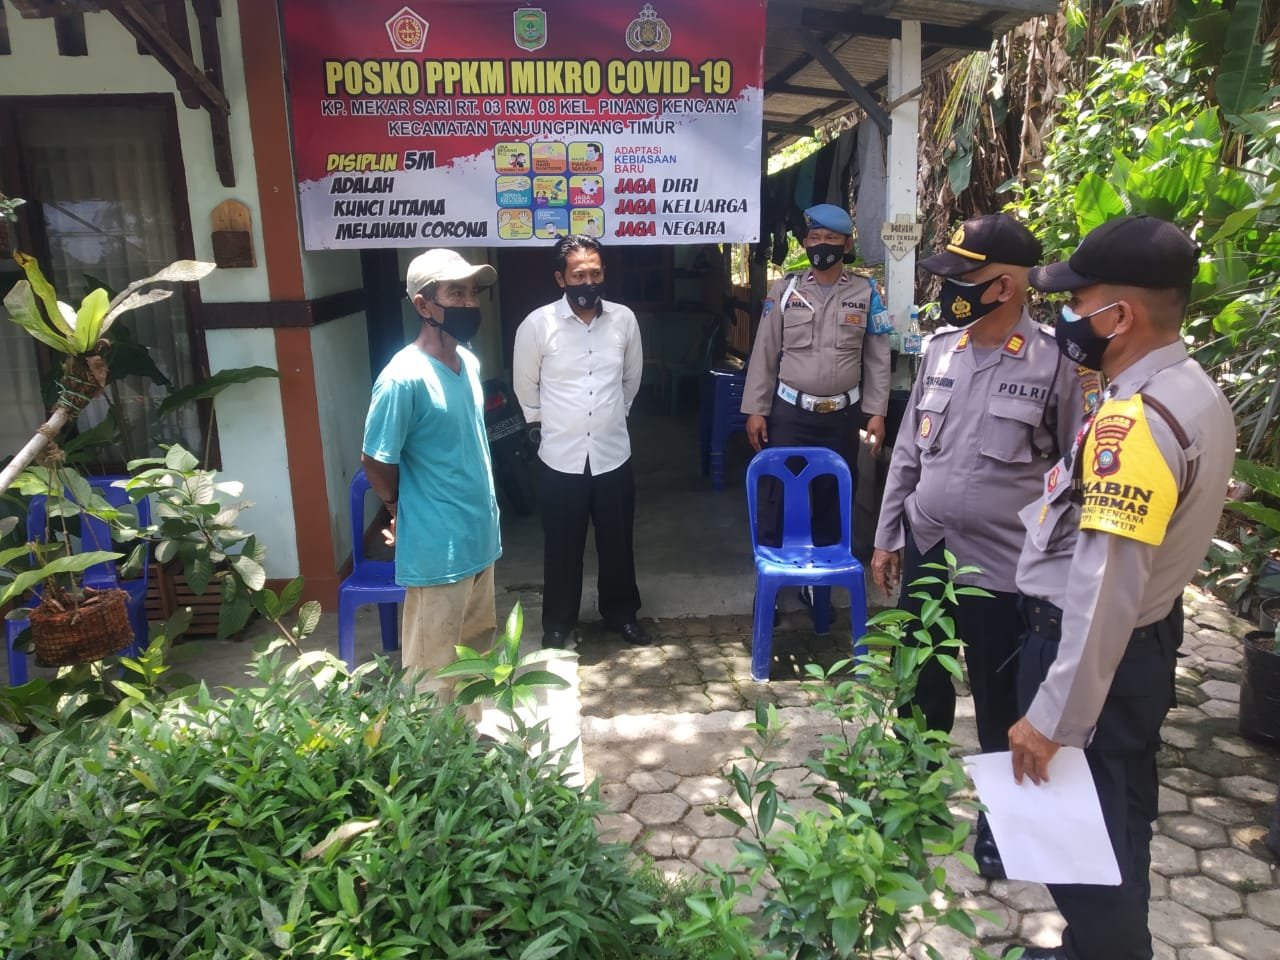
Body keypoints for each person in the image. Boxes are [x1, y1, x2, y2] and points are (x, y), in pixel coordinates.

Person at [1004, 216, 1234, 960]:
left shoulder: (1134, 427)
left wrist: (1052, 719)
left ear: (1120, 316)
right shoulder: (1191, 390)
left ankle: (1105, 948)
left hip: (1092, 657)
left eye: (1077, 303)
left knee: (1081, 854)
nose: (1066, 317)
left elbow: (1104, 588)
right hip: (1141, 648)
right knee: (1118, 823)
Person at [870, 214, 1098, 879]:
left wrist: (1058, 569)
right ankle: (910, 797)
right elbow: (908, 451)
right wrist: (887, 537)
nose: (949, 289)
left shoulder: (1059, 364)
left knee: (1002, 699)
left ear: (1005, 286)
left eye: (962, 278)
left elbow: (1076, 474)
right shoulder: (942, 349)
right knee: (918, 681)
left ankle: (1005, 826)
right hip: (928, 543)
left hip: (1003, 568)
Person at [360, 249, 502, 710]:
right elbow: (375, 459)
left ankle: (468, 743)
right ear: (423, 305)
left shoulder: (469, 364)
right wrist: (398, 508)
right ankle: (434, 752)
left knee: (474, 663)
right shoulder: (402, 378)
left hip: (480, 538)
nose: (469, 303)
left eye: (473, 293)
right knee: (432, 675)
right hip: (438, 549)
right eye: (455, 294)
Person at [513, 234, 647, 647]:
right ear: (561, 279)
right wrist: (550, 427)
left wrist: (611, 416)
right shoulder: (537, 325)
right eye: (578, 275)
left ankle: (621, 614)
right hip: (560, 458)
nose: (589, 282)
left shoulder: (623, 320)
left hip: (612, 454)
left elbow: (630, 380)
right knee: (562, 546)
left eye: (595, 273)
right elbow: (526, 389)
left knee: (617, 542)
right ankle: (557, 624)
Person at [741, 203, 892, 550]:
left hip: (842, 416)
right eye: (815, 237)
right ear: (806, 243)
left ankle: (826, 568)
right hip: (790, 413)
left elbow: (877, 358)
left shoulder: (866, 292)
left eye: (831, 238)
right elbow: (765, 351)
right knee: (779, 491)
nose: (822, 244)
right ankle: (774, 563)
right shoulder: (785, 290)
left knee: (833, 494)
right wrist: (756, 409)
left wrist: (877, 412)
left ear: (847, 245)